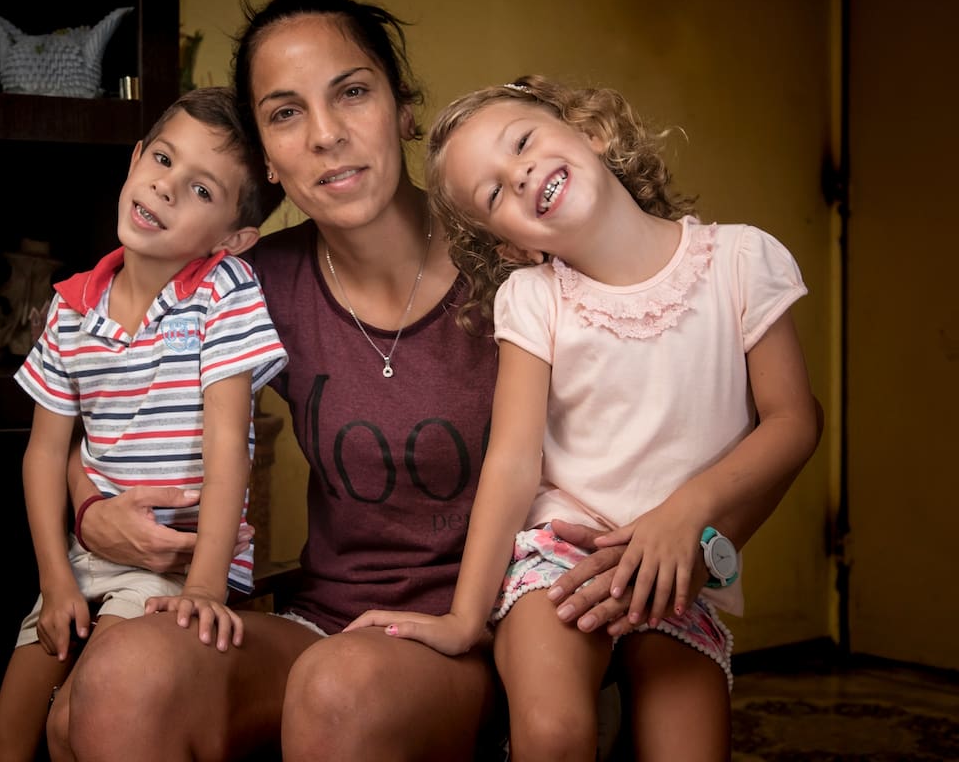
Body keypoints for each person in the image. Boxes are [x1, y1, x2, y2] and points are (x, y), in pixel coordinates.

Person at [48, 0, 818, 761]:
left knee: (340, 690)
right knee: (119, 681)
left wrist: (682, 551)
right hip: (322, 620)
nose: (324, 134)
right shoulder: (251, 283)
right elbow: (107, 395)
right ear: (268, 159)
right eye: (285, 113)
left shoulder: (532, 260)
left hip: (493, 629)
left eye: (351, 93)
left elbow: (697, 425)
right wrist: (89, 507)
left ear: (402, 107)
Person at [346, 75, 821, 760]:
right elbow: (513, 463)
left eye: (523, 142)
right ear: (511, 246)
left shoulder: (744, 260)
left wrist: (686, 518)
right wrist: (462, 618)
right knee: (555, 732)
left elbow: (793, 421)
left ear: (588, 132)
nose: (520, 174)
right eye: (494, 193)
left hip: (678, 569)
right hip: (560, 557)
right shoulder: (535, 299)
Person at [0, 85, 288, 762]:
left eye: (202, 190)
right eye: (164, 161)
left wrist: (207, 583)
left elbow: (229, 442)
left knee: (83, 727)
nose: (167, 188)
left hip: (177, 569)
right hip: (84, 560)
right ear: (136, 157)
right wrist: (56, 579)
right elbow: (44, 454)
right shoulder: (70, 307)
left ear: (234, 237)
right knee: (1, 740)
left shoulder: (221, 291)